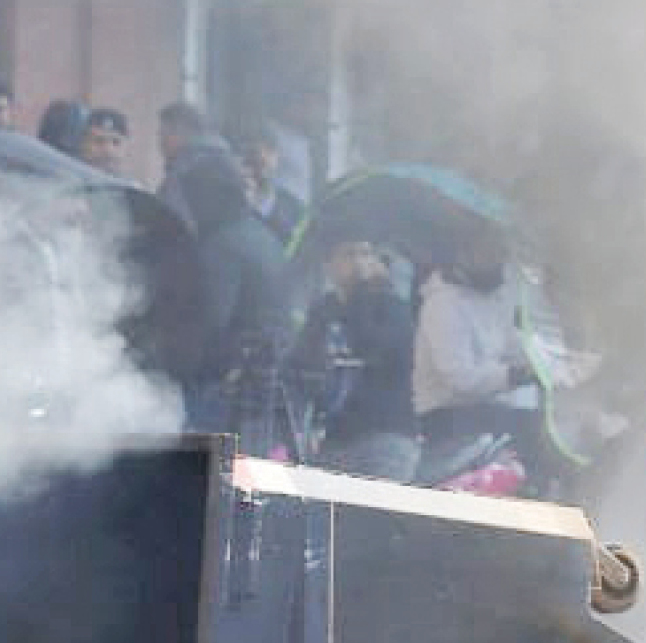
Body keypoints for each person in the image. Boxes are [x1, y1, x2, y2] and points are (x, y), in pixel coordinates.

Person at [413, 225, 545, 481]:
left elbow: (516, 347)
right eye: (489, 254)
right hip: (445, 417)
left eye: (501, 255)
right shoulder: (442, 305)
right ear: (464, 255)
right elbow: (460, 379)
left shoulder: (494, 302)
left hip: (483, 412)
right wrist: (515, 376)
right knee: (531, 433)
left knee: (541, 431)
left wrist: (548, 363)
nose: (498, 263)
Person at [179, 155, 294, 449]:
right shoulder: (266, 237)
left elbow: (212, 319)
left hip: (226, 383)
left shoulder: (222, 244)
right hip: (265, 376)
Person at [293, 241, 420, 480]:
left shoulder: (392, 307)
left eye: (367, 254)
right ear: (329, 265)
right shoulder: (323, 310)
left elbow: (370, 346)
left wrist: (364, 291)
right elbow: (303, 362)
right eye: (350, 254)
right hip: (333, 440)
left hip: (385, 438)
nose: (360, 262)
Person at [233, 124, 306, 238]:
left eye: (270, 150)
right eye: (254, 151)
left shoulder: (295, 208)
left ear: (278, 156)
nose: (263, 157)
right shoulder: (231, 204)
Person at [81, 107, 133, 181]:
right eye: (99, 141)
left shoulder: (131, 189)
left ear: (126, 149)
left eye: (116, 142)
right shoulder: (65, 183)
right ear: (83, 144)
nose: (108, 150)